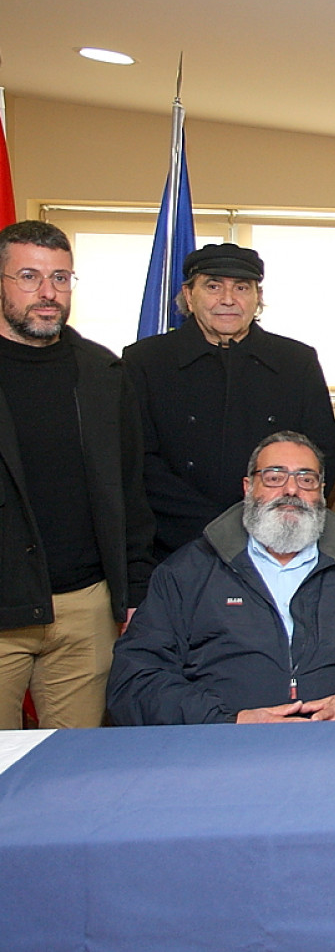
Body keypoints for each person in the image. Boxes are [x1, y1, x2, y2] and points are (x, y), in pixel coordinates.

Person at [107, 431, 335, 724]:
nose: (291, 490)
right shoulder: (188, 572)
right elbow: (134, 679)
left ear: (322, 492)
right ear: (248, 487)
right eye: (274, 477)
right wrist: (227, 721)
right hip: (224, 752)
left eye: (306, 478)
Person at [0, 220, 155, 729]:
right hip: (3, 603)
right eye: (29, 276)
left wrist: (130, 591)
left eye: (61, 278)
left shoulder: (103, 373)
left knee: (74, 776)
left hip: (86, 609)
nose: (48, 293)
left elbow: (130, 491)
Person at [122, 242, 335, 559]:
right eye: (213, 286)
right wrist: (216, 527)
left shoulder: (296, 361)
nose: (228, 300)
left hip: (274, 541)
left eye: (241, 287)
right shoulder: (145, 360)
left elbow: (322, 455)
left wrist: (268, 522)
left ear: (258, 298)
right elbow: (138, 460)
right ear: (188, 294)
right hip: (172, 543)